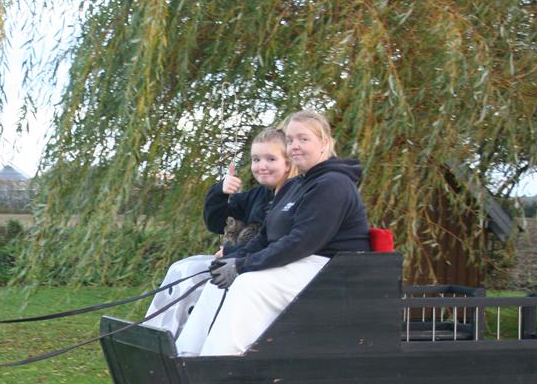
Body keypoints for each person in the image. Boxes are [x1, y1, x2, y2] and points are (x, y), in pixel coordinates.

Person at [174, 109, 371, 356]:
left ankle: (219, 363)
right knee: (218, 281)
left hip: (332, 271)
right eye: (289, 140)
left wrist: (243, 265)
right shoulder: (294, 186)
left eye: (303, 139)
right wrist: (233, 260)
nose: (294, 146)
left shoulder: (333, 184)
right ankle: (186, 356)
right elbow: (265, 238)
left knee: (248, 283)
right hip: (300, 264)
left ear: (324, 143)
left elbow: (300, 242)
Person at [143, 128, 297, 337]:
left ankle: (183, 340)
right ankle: (156, 333)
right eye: (256, 159)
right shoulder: (256, 196)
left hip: (264, 267)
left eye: (271, 159)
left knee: (196, 276)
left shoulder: (292, 196)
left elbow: (275, 239)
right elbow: (217, 223)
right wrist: (219, 193)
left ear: (288, 162)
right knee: (182, 269)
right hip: (240, 259)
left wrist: (232, 253)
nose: (261, 166)